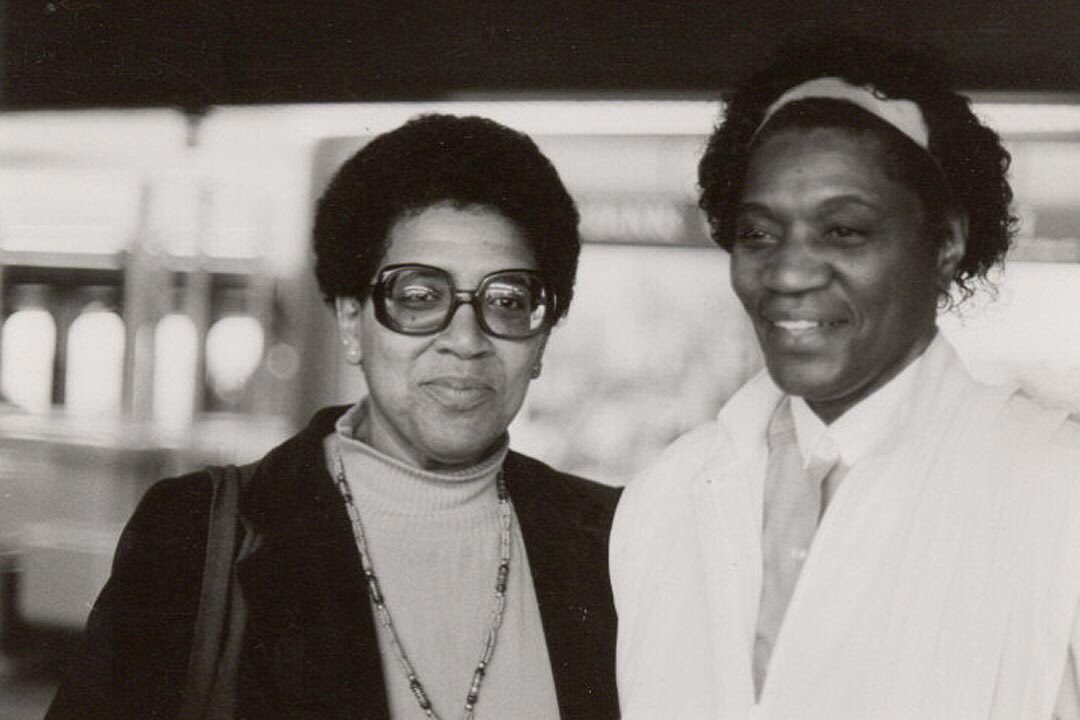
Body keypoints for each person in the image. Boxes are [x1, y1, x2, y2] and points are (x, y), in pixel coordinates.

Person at [47, 114, 620, 720]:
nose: (465, 340)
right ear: (352, 320)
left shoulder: (613, 541)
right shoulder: (195, 533)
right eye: (420, 297)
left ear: (542, 337)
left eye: (507, 301)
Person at [610, 35, 1080, 719]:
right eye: (759, 233)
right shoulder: (665, 496)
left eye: (844, 232)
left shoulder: (1056, 487)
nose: (788, 274)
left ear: (946, 242)